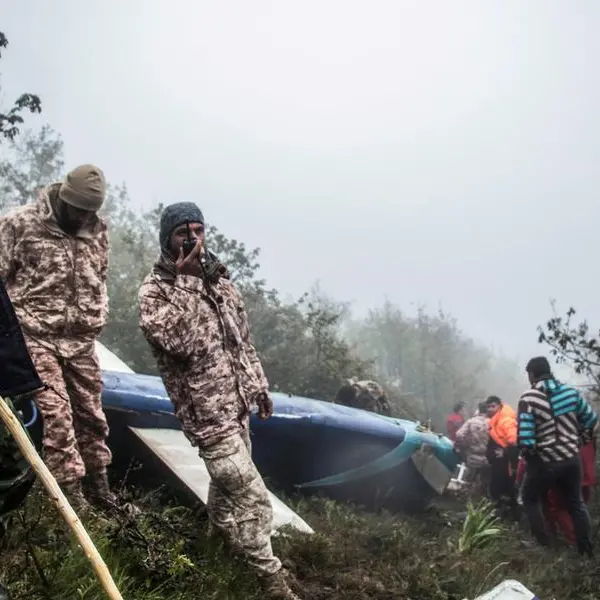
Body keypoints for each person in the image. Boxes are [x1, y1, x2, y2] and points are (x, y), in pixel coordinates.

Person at [137, 202, 301, 600]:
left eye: (198, 229)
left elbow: (240, 340)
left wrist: (258, 386)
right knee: (253, 499)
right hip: (208, 418)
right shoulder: (155, 292)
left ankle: (218, 550)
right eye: (182, 233)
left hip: (237, 405)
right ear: (167, 240)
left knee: (227, 493)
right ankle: (273, 584)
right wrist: (188, 282)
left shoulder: (222, 283)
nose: (193, 239)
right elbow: (180, 343)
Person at [0, 165, 118, 513]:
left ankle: (101, 489)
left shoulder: (98, 231)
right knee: (56, 416)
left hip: (80, 342)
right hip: (34, 335)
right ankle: (70, 498)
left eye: (90, 210)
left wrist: (96, 312)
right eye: (79, 208)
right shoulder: (19, 224)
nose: (83, 216)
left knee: (92, 417)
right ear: (64, 198)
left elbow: (99, 275)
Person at [517, 356, 597, 556]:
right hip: (571, 459)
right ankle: (585, 549)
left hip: (545, 461)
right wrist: (578, 441)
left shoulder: (529, 397)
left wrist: (531, 458)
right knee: (575, 503)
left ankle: (544, 545)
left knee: (530, 498)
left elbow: (526, 438)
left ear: (532, 374)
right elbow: (591, 420)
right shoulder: (571, 393)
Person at [484, 395, 519, 518]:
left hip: (506, 463)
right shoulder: (495, 420)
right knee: (498, 488)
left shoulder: (506, 419)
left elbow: (513, 441)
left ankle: (510, 515)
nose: (490, 409)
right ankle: (502, 513)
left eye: (493, 406)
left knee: (506, 489)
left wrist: (506, 453)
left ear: (499, 406)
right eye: (488, 407)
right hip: (498, 462)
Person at [454, 402, 490, 492]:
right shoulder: (491, 422)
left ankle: (464, 495)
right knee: (484, 480)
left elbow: (459, 434)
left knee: (469, 478)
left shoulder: (471, 421)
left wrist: (466, 443)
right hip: (487, 456)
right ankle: (481, 497)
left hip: (472, 454)